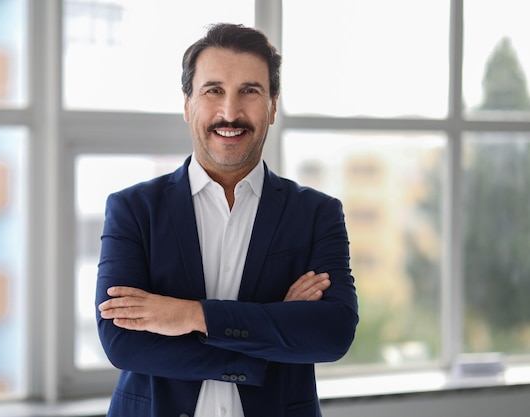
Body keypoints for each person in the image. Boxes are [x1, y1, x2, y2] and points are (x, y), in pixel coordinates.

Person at [96, 23, 358, 417]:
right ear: (187, 104)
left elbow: (332, 332)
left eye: (250, 91)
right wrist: (272, 335)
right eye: (213, 90)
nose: (230, 113)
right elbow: (123, 342)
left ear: (272, 105)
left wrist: (188, 315)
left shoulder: (316, 213)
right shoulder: (133, 209)